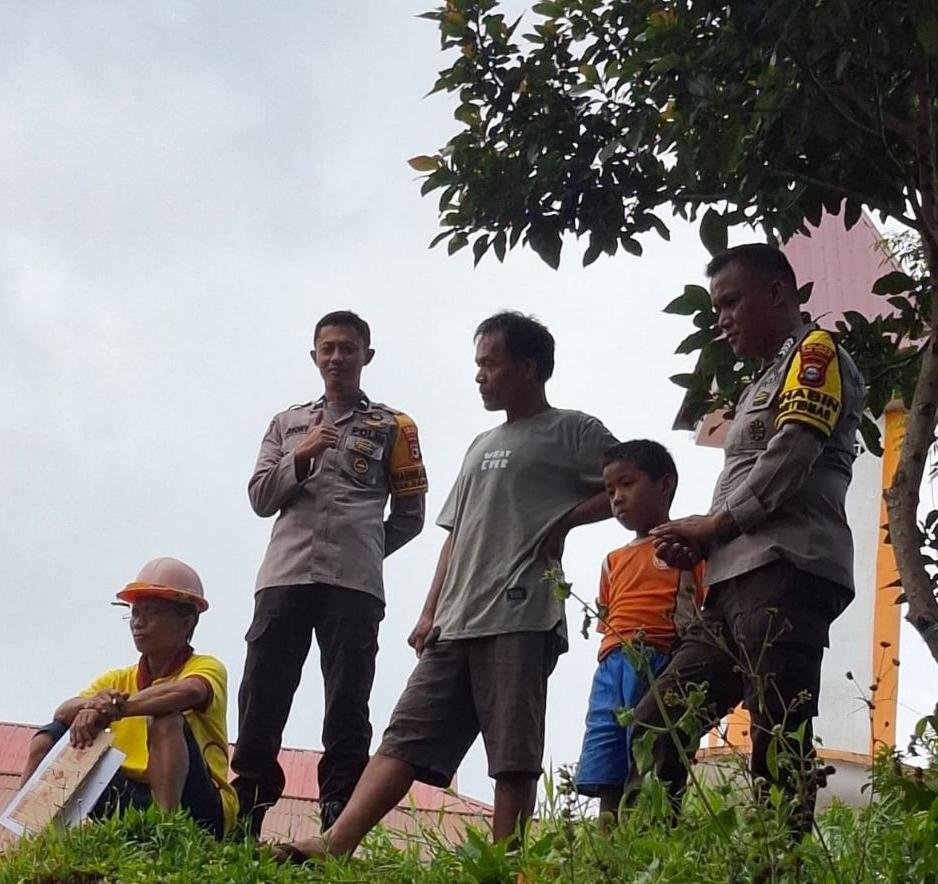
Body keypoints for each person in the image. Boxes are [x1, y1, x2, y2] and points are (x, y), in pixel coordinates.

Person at [274, 310, 618, 863]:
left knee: (512, 751)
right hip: (456, 619)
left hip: (521, 612)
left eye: (490, 364)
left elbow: (630, 482)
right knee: (405, 734)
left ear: (528, 367)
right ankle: (335, 844)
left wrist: (566, 520)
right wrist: (429, 610)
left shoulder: (572, 430)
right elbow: (455, 535)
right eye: (477, 364)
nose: (479, 375)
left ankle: (506, 864)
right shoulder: (481, 442)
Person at [632, 244, 864, 833]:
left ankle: (777, 864)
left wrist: (714, 526)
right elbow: (748, 481)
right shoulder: (760, 380)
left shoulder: (816, 354)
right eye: (717, 308)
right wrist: (702, 541)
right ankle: (657, 861)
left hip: (787, 568)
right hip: (732, 582)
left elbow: (791, 455)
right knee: (659, 720)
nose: (723, 319)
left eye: (731, 302)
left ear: (777, 293)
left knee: (777, 731)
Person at [231, 310, 427, 836]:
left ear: (367, 356)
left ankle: (337, 822)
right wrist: (301, 455)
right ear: (314, 356)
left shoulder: (395, 426)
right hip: (285, 577)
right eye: (328, 348)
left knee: (347, 703)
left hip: (354, 585)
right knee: (262, 695)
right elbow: (259, 498)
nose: (337, 357)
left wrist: (365, 549)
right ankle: (246, 815)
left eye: (348, 348)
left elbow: (410, 516)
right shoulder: (286, 423)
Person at [21, 557, 237, 839]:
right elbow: (64, 710)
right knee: (51, 736)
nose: (138, 623)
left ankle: (165, 834)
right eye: (134, 614)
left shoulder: (206, 667)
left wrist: (114, 709)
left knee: (165, 719)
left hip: (198, 807)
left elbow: (188, 692)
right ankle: (24, 835)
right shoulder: (117, 680)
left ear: (186, 623)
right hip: (131, 798)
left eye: (151, 613)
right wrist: (92, 707)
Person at [574, 440, 705, 818]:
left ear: (664, 485)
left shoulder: (686, 546)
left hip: (661, 660)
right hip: (611, 665)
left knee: (651, 754)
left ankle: (652, 832)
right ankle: (608, 841)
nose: (617, 498)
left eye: (627, 484)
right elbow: (607, 616)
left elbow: (704, 602)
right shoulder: (612, 560)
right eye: (610, 490)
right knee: (607, 757)